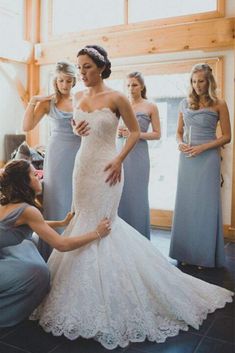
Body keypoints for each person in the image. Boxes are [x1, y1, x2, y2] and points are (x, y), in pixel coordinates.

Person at [31, 46, 233, 350]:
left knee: (105, 225)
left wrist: (118, 161)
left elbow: (136, 133)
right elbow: (76, 126)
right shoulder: (77, 97)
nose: (82, 74)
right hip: (82, 167)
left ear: (100, 67)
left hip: (109, 167)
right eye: (79, 67)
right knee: (82, 219)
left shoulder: (117, 98)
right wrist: (76, 125)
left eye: (86, 67)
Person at [0, 159, 111, 327]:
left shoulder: (7, 202)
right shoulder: (27, 210)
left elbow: (33, 225)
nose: (39, 176)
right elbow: (62, 245)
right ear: (24, 181)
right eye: (34, 174)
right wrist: (97, 233)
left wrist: (60, 223)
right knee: (38, 273)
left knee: (27, 245)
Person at [169, 63, 231, 269]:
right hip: (187, 157)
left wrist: (203, 148)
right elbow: (178, 132)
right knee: (187, 205)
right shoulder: (183, 104)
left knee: (205, 206)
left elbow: (227, 137)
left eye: (201, 81)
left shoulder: (219, 104)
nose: (197, 85)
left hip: (208, 158)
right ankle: (184, 253)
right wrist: (180, 143)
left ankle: (204, 256)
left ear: (209, 81)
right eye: (194, 81)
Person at [23, 61, 81, 260]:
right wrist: (33, 100)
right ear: (56, 81)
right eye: (61, 80)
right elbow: (27, 125)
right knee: (56, 198)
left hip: (79, 152)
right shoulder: (49, 102)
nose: (64, 85)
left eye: (68, 80)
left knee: (76, 197)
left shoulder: (80, 100)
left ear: (74, 81)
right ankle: (52, 252)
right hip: (57, 153)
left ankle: (73, 250)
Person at [117, 71, 161, 239]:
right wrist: (119, 133)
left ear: (142, 86)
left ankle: (140, 237)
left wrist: (135, 134)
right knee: (120, 193)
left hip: (139, 153)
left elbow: (157, 134)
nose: (130, 88)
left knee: (137, 195)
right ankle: (121, 238)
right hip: (120, 150)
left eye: (134, 85)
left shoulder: (150, 106)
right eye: (128, 85)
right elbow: (115, 129)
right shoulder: (120, 104)